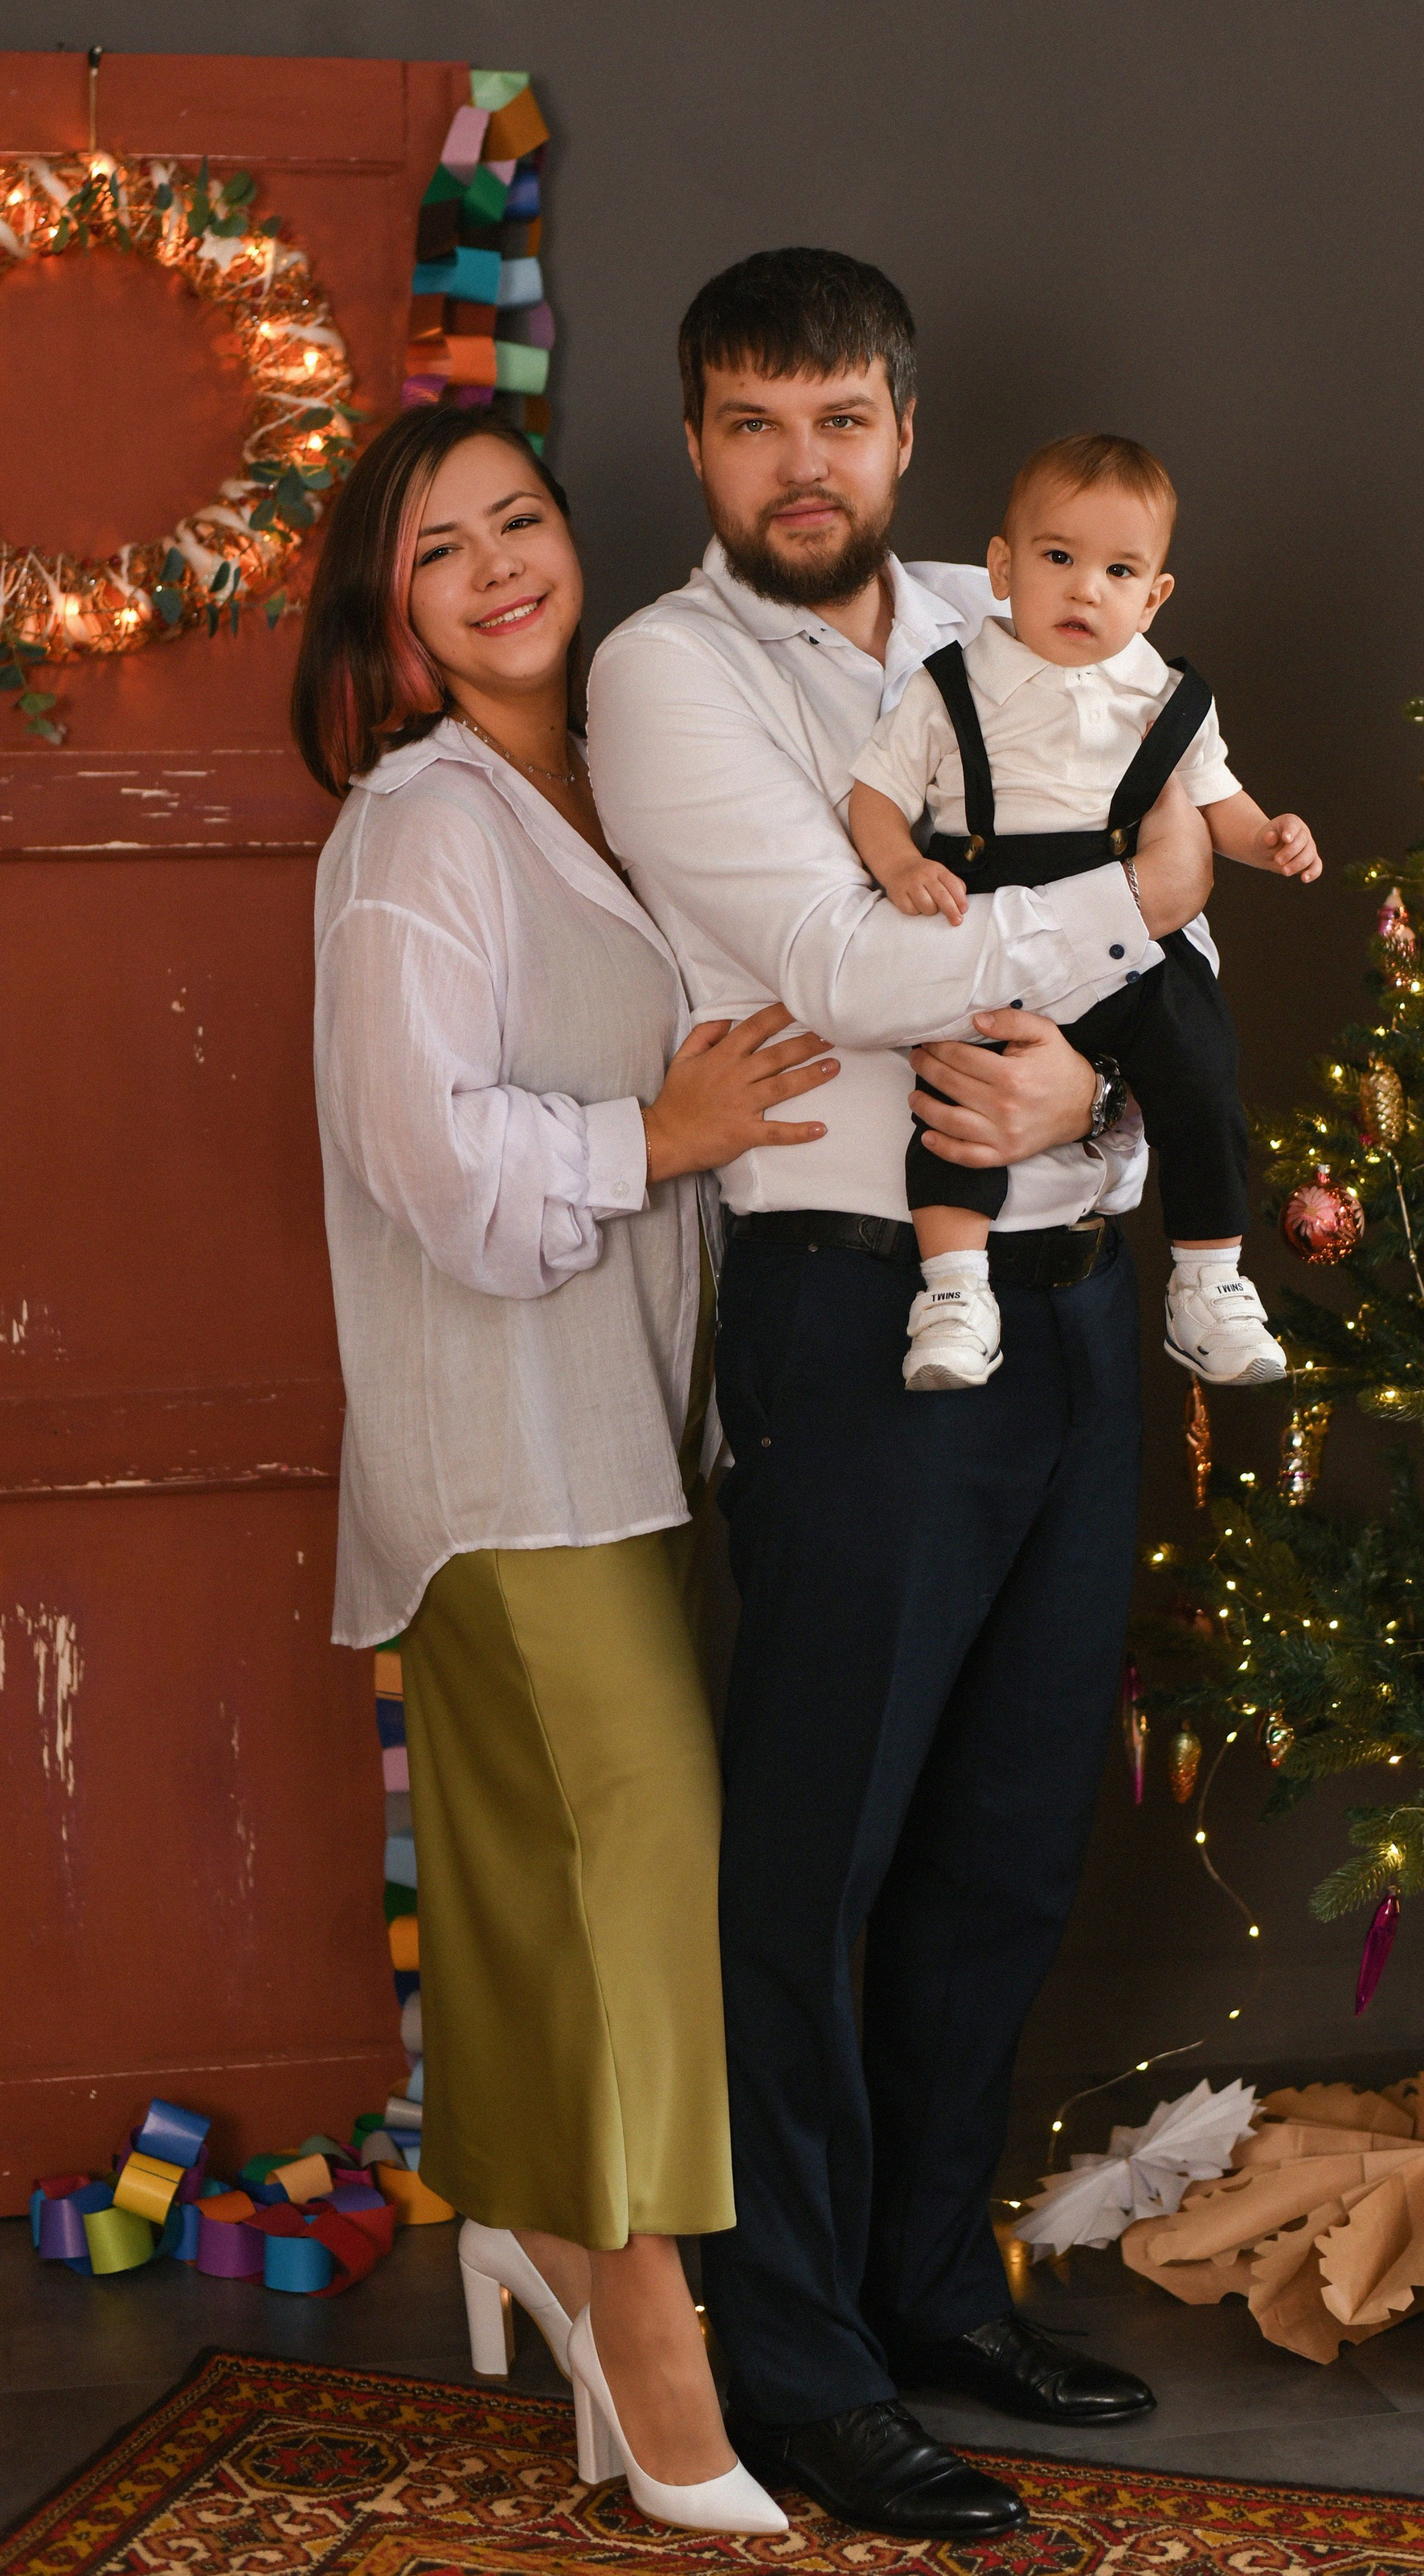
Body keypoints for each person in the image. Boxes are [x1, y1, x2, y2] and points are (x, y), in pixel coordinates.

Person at [589, 249, 1217, 2543]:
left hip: (1062, 1296)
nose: (801, 465)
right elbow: (845, 966)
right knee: (818, 1853)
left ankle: (936, 2283)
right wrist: (1116, 950)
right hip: (856, 1310)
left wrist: (1093, 1092)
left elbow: (1192, 908)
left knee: (1008, 1836)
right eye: (754, 424)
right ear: (696, 445)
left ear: (904, 432)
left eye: (839, 419)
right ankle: (799, 2355)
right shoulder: (668, 675)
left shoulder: (1009, 603)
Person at [295, 401, 839, 2541]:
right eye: (445, 549)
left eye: (519, 519)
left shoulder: (610, 782)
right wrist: (665, 1142)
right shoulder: (419, 826)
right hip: (504, 1447)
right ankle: (648, 2324)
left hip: (626, 1428)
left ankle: (532, 2222)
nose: (502, 563)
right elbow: (420, 1153)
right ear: (395, 610)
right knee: (633, 1868)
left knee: (586, 1881)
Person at [847, 430, 1320, 1392]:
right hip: (990, 906)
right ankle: (950, 1289)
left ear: (1154, 596)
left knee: (1200, 1065)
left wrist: (1267, 835)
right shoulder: (950, 687)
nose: (1084, 590)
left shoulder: (1163, 697)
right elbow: (874, 794)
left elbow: (1216, 802)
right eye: (1057, 558)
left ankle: (1207, 1278)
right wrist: (897, 862)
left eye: (1118, 571)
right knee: (957, 1094)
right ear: (1001, 566)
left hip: (1129, 931)